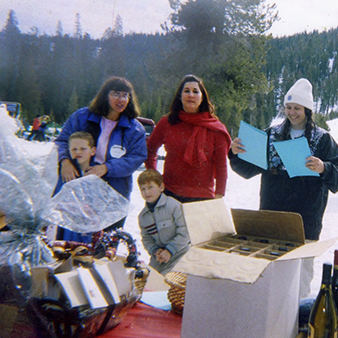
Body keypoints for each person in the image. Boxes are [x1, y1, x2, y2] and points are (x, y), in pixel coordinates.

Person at [228, 78, 338, 241]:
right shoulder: (271, 134)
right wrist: (236, 153)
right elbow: (249, 169)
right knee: (272, 263)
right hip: (272, 213)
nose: (292, 112)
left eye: (297, 108)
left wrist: (323, 167)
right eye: (288, 107)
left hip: (305, 218)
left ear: (307, 110)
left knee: (302, 265)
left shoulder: (322, 138)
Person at [54, 76, 147, 232]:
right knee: (73, 240)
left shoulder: (134, 128)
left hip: (114, 190)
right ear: (105, 95)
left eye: (125, 95)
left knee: (106, 242)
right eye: (116, 94)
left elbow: (136, 158)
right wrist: (65, 161)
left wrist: (106, 168)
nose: (121, 99)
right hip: (79, 185)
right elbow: (61, 141)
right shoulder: (82, 117)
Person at [145, 75, 231, 203]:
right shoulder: (167, 123)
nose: (191, 95)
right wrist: (154, 179)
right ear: (180, 96)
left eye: (195, 91)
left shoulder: (215, 129)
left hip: (203, 199)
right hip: (169, 195)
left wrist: (219, 195)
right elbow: (150, 150)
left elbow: (221, 166)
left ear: (202, 97)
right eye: (186, 91)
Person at [137, 169, 190, 275]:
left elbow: (185, 233)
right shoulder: (143, 216)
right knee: (149, 282)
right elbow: (146, 239)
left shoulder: (173, 206)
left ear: (161, 187)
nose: (146, 192)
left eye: (150, 187)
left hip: (180, 255)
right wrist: (155, 251)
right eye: (143, 189)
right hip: (159, 259)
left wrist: (170, 250)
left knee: (168, 282)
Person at [53, 131, 98, 242]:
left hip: (87, 224)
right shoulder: (65, 173)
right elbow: (57, 197)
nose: (78, 152)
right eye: (74, 149)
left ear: (93, 151)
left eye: (83, 149)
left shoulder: (96, 172)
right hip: (66, 222)